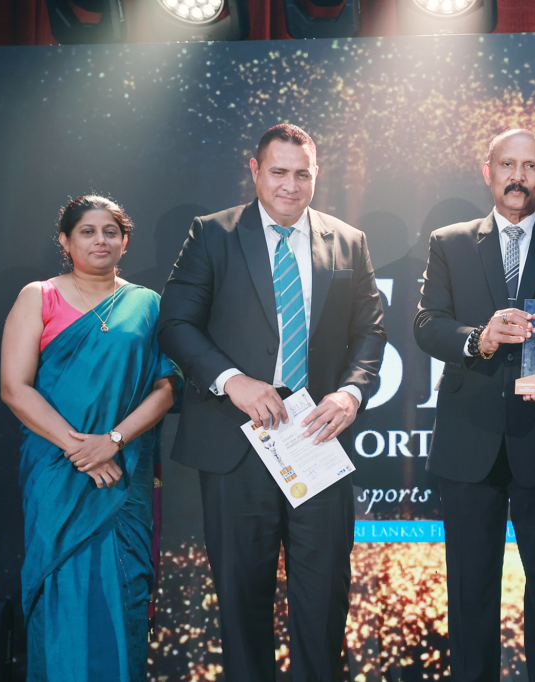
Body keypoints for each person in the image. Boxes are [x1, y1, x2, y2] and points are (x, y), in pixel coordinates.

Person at [158, 123, 386, 681]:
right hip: (237, 440)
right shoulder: (212, 234)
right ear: (255, 171)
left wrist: (351, 391)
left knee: (324, 601)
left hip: (318, 438)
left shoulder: (348, 240)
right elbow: (176, 324)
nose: (290, 185)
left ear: (316, 175)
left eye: (302, 174)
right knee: (241, 601)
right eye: (278, 172)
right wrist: (231, 379)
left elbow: (371, 331)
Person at [413, 128, 535, 682]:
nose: (518, 177)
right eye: (507, 165)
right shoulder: (449, 242)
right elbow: (427, 325)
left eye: (530, 167)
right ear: (488, 171)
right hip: (468, 441)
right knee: (469, 590)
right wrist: (480, 338)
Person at [0, 195, 179, 682]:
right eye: (87, 231)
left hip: (123, 470)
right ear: (65, 241)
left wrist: (112, 441)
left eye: (110, 231)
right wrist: (83, 448)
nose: (100, 240)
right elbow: (15, 388)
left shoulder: (147, 304)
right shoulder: (38, 296)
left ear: (125, 241)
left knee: (124, 589)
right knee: (61, 587)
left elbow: (166, 388)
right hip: (57, 470)